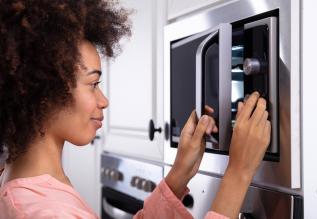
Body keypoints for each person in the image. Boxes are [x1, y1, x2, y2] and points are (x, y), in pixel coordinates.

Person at [0, 0, 270, 218]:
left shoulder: (29, 185)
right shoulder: (45, 212)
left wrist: (178, 176)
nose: (103, 100)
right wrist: (238, 174)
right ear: (45, 92)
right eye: (93, 84)